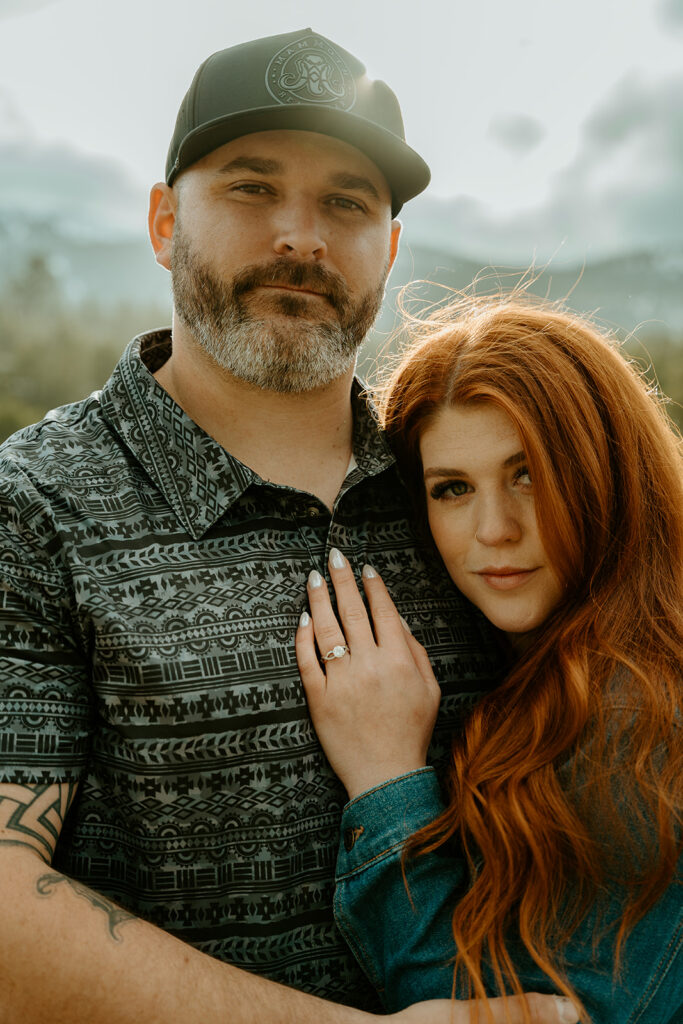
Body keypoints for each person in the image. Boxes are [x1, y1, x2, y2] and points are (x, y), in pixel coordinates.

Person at [0, 27, 576, 1024]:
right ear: (161, 220)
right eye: (250, 187)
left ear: (388, 246)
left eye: (345, 203)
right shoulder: (34, 503)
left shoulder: (464, 493)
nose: (298, 239)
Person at [296, 296, 683, 1023]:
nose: (495, 530)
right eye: (452, 489)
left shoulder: (634, 724)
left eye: (527, 474)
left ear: (610, 472)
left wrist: (385, 780)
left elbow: (514, 1012)